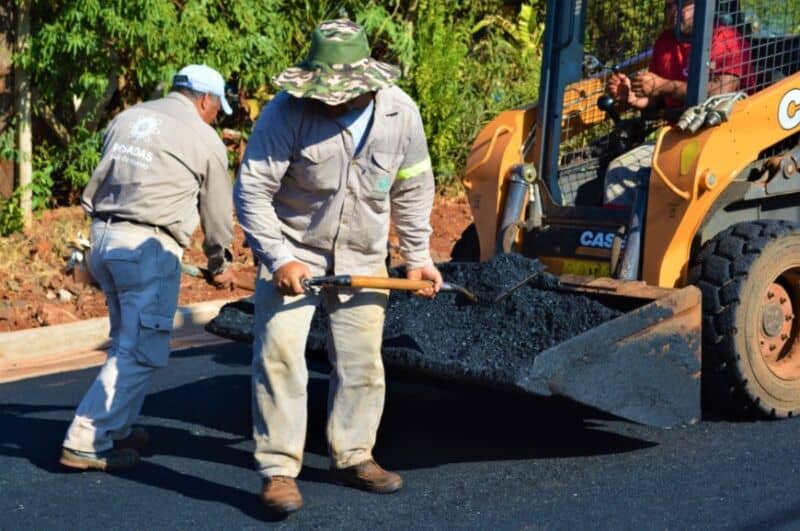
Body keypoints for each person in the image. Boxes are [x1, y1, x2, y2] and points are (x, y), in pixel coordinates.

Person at [234, 19, 443, 515]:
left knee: (362, 360)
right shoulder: (287, 113)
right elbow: (252, 191)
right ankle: (280, 470)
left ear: (367, 80)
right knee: (281, 357)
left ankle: (353, 454)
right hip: (293, 249)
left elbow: (413, 188)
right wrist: (279, 257)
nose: (331, 99)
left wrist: (417, 256)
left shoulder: (400, 114)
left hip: (364, 253)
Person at [60, 64, 239, 471]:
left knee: (127, 336)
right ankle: (86, 438)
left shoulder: (128, 118)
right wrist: (219, 262)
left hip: (102, 240)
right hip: (146, 248)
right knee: (140, 348)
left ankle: (118, 427)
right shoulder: (204, 138)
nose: (215, 115)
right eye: (216, 107)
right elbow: (216, 213)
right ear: (205, 99)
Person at [603, 0, 752, 206]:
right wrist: (632, 97)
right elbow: (656, 101)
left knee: (675, 173)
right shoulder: (665, 42)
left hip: (723, 137)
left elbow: (721, 91)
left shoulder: (725, 39)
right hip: (677, 135)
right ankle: (623, 236)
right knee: (619, 170)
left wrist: (662, 85)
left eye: (682, 4)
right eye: (670, 5)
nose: (674, 11)